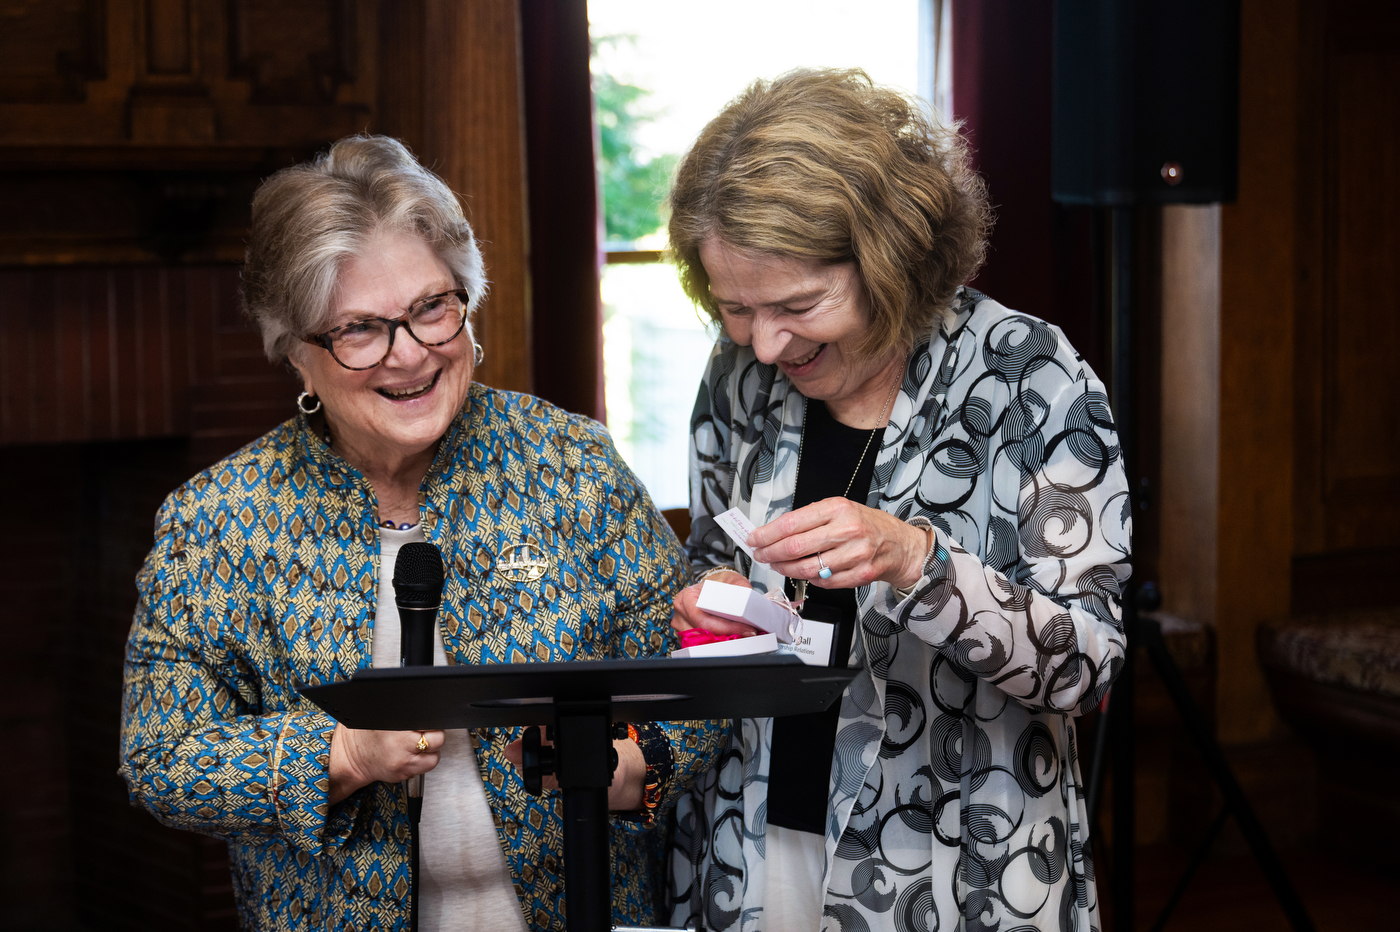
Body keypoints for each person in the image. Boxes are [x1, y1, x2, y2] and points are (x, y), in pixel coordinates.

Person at [119, 135, 721, 931]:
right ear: (297, 352)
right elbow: (161, 759)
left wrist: (625, 768)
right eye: (361, 328)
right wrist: (342, 755)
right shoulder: (220, 519)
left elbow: (684, 682)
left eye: (433, 308)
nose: (411, 355)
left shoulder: (571, 462)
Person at [665, 70, 1131, 932]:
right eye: (736, 308)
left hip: (960, 868)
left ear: (890, 258)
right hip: (750, 845)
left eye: (799, 304)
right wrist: (706, 609)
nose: (767, 344)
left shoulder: (1028, 377)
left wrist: (919, 562)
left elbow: (1085, 665)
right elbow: (710, 556)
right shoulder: (737, 379)